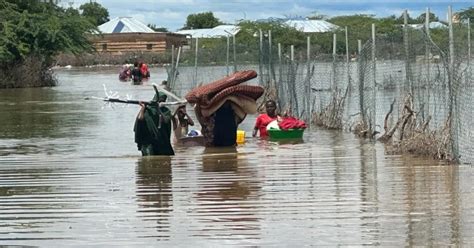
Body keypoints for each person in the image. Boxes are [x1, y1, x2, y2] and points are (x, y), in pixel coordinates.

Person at [134, 92, 174, 156]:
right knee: (148, 161)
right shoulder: (147, 110)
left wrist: (159, 110)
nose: (161, 102)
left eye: (163, 100)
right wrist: (143, 107)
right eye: (160, 100)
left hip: (161, 142)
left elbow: (166, 121)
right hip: (147, 142)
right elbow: (140, 119)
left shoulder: (166, 111)